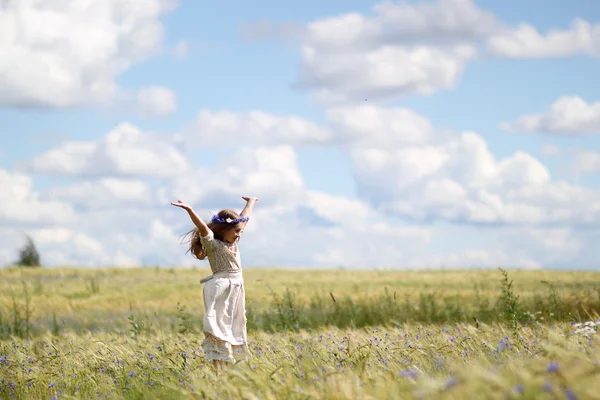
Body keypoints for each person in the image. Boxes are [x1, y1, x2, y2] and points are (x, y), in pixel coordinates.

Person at [171, 196, 258, 368]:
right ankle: (219, 362)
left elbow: (244, 218)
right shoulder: (213, 244)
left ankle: (229, 361)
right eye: (236, 231)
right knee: (219, 325)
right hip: (221, 288)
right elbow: (203, 228)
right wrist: (189, 209)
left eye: (240, 231)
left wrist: (251, 202)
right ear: (223, 229)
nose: (239, 234)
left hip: (236, 288)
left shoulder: (233, 241)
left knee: (234, 324)